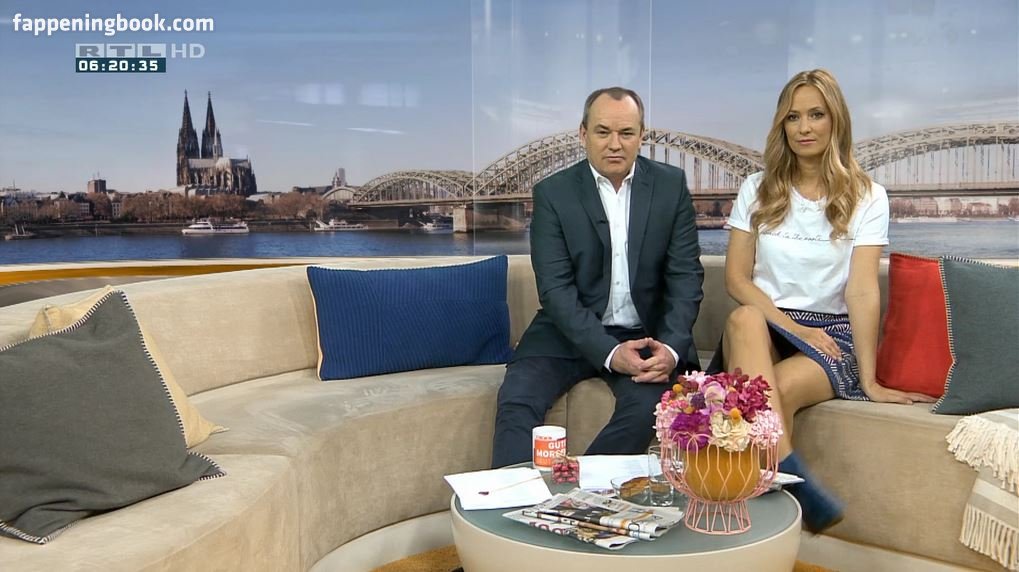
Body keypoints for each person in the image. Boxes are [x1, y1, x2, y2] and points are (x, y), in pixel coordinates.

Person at [716, 69, 935, 532]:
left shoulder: (868, 196)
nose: (804, 127)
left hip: (831, 332)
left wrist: (870, 380)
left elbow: (862, 290)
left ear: (836, 120)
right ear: (782, 125)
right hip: (767, 324)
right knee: (744, 318)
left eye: (816, 115)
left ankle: (759, 526)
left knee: (765, 395)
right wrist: (793, 327)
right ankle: (791, 480)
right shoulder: (756, 188)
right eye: (793, 117)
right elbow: (736, 279)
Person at [490, 87, 704, 469]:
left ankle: (577, 490)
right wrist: (609, 353)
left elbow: (685, 276)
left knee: (652, 408)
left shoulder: (671, 186)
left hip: (645, 335)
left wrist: (671, 349)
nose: (615, 144)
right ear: (583, 133)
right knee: (517, 399)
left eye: (626, 133)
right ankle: (510, 499)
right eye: (603, 132)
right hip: (565, 332)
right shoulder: (553, 193)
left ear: (642, 135)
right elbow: (555, 290)